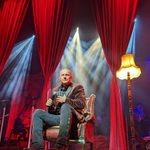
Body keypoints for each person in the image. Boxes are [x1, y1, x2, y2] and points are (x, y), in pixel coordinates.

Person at [31, 68, 86, 150]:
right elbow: (54, 112)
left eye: (66, 75)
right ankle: (37, 146)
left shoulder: (77, 87)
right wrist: (50, 106)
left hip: (72, 118)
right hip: (59, 118)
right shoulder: (55, 90)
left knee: (65, 106)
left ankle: (61, 146)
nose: (64, 77)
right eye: (62, 75)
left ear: (70, 77)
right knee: (37, 112)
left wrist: (66, 100)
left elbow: (82, 104)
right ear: (60, 77)